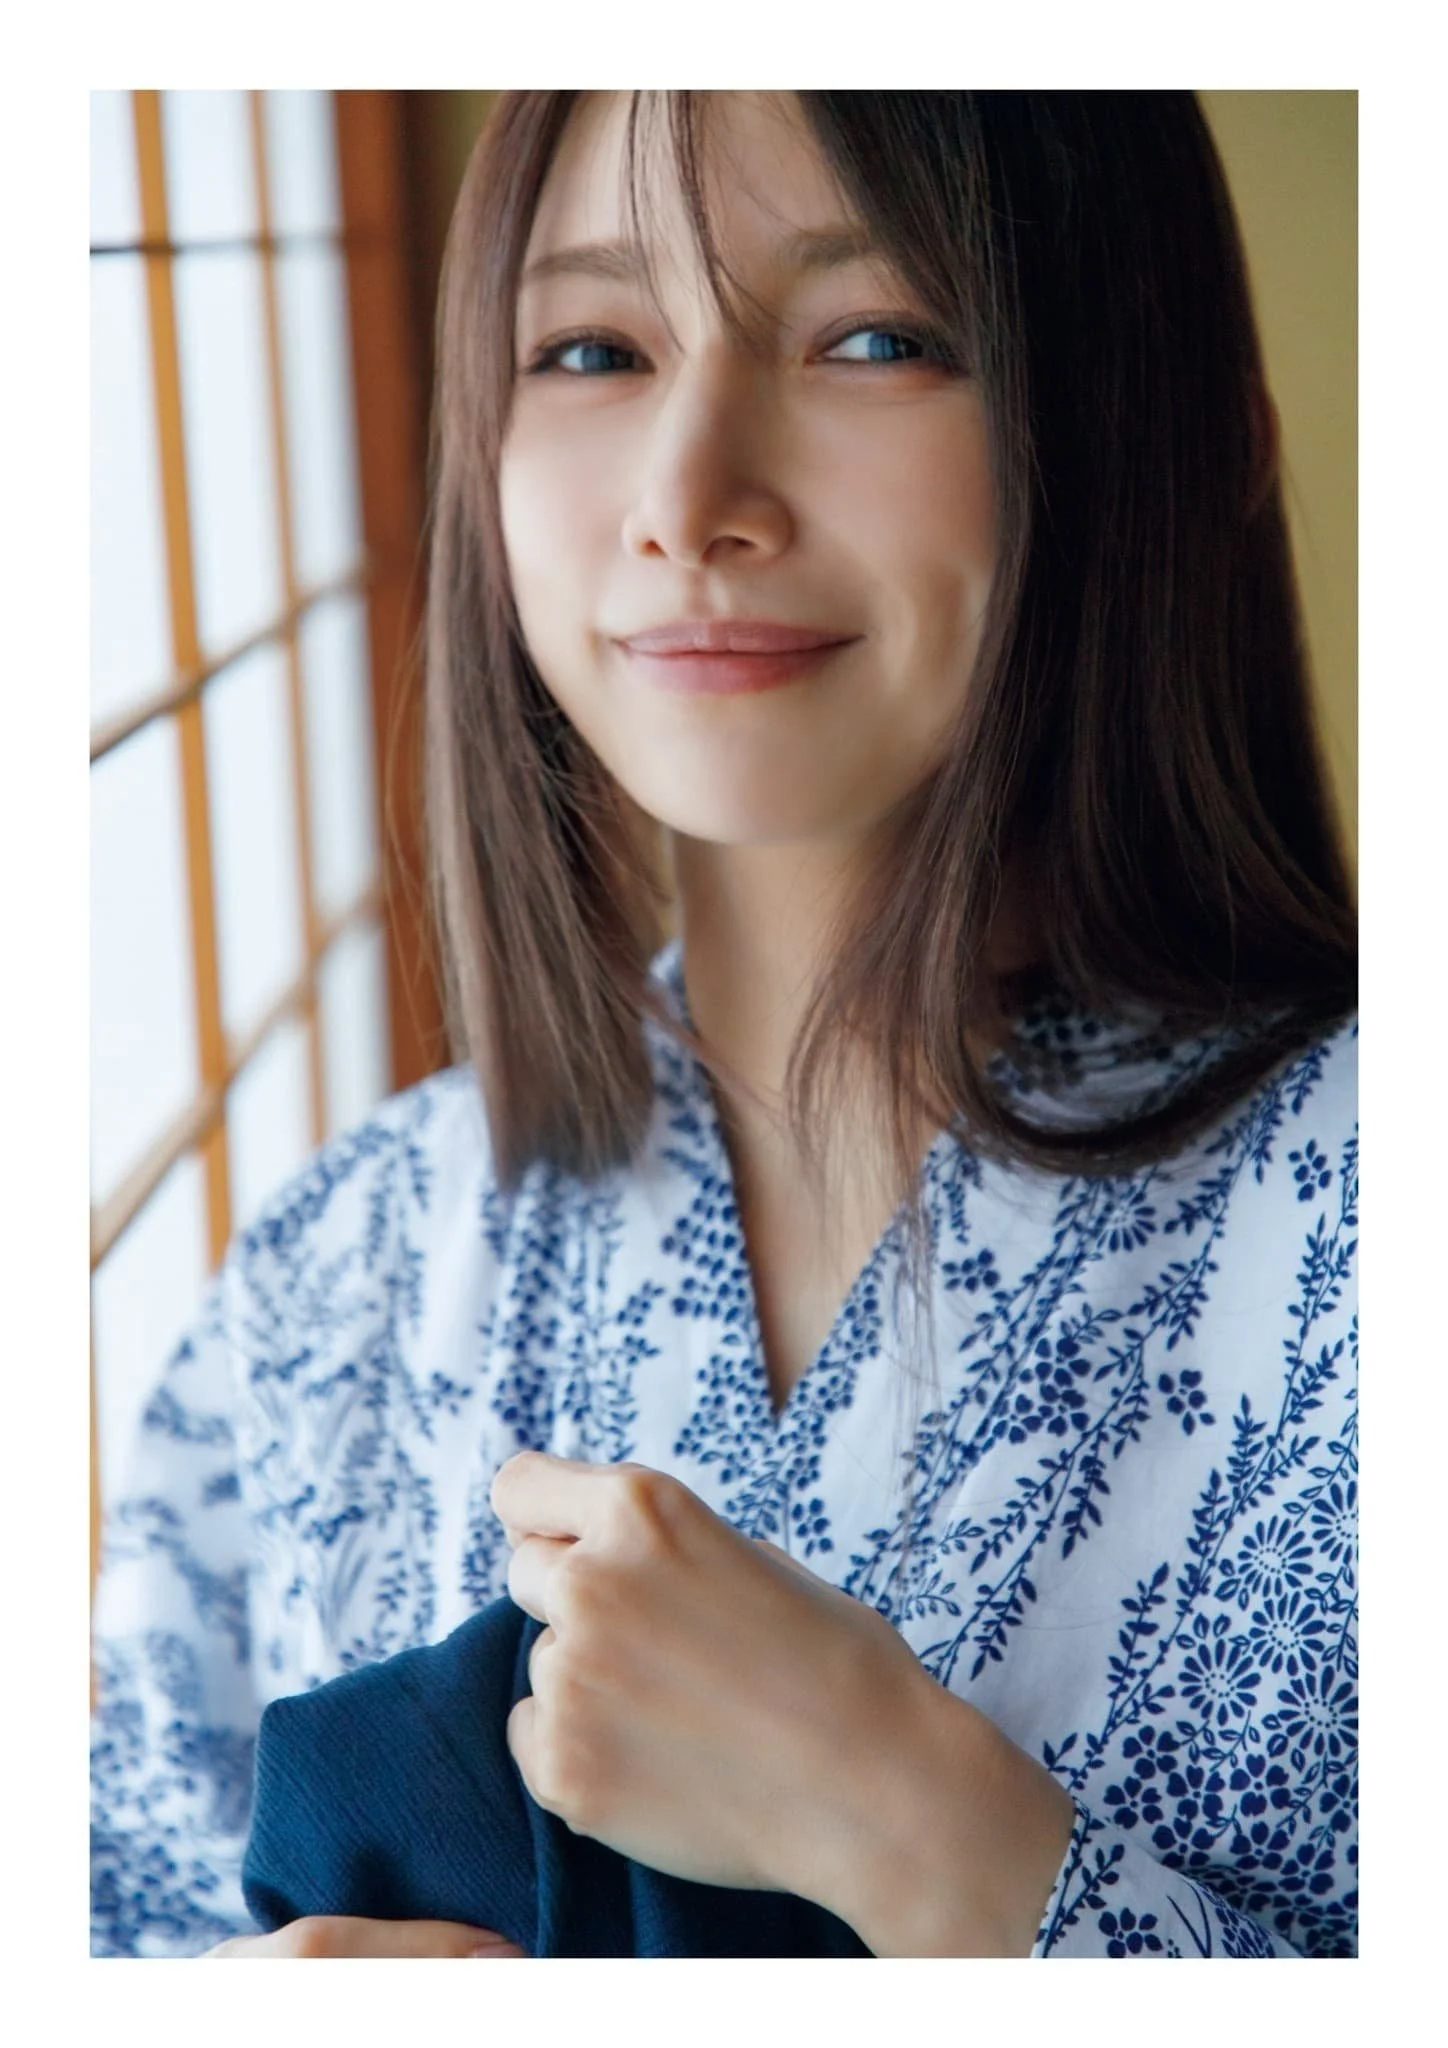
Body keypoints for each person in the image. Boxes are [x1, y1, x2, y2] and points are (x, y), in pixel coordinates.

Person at [90, 90, 1358, 1959]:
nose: (688, 505)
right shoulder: (333, 1276)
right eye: (592, 349)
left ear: (1190, 440)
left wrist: (905, 1819)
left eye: (878, 339)